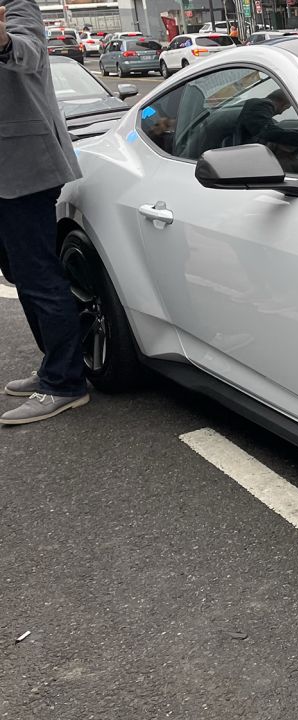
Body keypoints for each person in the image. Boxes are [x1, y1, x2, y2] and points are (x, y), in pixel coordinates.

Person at [0, 0, 90, 425]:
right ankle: (55, 364)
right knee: (19, 273)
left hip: (27, 168)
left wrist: (2, 39)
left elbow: (27, 51)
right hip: (5, 176)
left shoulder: (17, 8)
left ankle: (66, 383)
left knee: (38, 275)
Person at [235, 89, 298, 173]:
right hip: (252, 158)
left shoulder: (259, 108)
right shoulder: (261, 105)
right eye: (287, 107)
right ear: (283, 103)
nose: (281, 113)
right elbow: (268, 132)